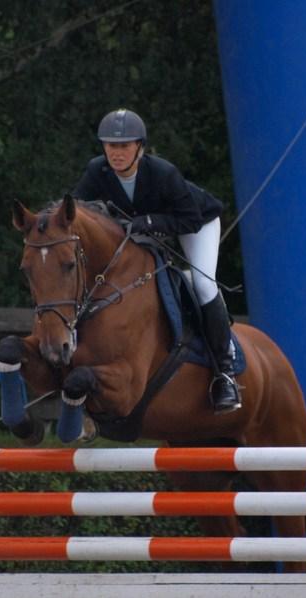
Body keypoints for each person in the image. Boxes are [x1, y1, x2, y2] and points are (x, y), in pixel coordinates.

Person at [73, 108, 241, 414]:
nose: (116, 152)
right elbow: (76, 212)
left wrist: (148, 222)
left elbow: (189, 220)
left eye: (124, 146)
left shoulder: (163, 173)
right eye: (111, 145)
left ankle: (224, 372)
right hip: (142, 233)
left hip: (195, 223)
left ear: (139, 146)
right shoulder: (97, 171)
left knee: (203, 285)